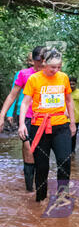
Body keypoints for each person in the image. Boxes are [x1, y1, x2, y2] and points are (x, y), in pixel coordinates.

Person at [18, 48, 76, 202]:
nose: (56, 70)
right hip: (39, 127)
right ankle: (40, 199)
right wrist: (22, 124)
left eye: (59, 67)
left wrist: (72, 123)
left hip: (61, 126)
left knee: (64, 162)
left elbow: (69, 101)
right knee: (42, 167)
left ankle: (62, 196)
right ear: (44, 63)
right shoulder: (34, 79)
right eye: (52, 67)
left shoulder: (63, 78)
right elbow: (25, 103)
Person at [0, 47, 43, 191]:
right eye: (35, 61)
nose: (37, 64)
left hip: (45, 118)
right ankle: (30, 190)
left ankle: (39, 187)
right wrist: (3, 115)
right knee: (28, 149)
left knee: (40, 153)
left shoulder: (51, 74)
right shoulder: (24, 74)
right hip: (26, 117)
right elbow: (12, 95)